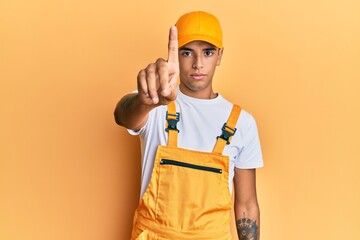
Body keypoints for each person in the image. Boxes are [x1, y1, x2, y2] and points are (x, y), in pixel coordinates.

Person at [114, 11, 263, 240]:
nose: (198, 64)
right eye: (187, 52)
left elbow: (247, 204)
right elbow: (122, 115)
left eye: (208, 52)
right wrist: (144, 102)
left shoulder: (242, 123)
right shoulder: (155, 104)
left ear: (220, 56)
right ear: (175, 55)